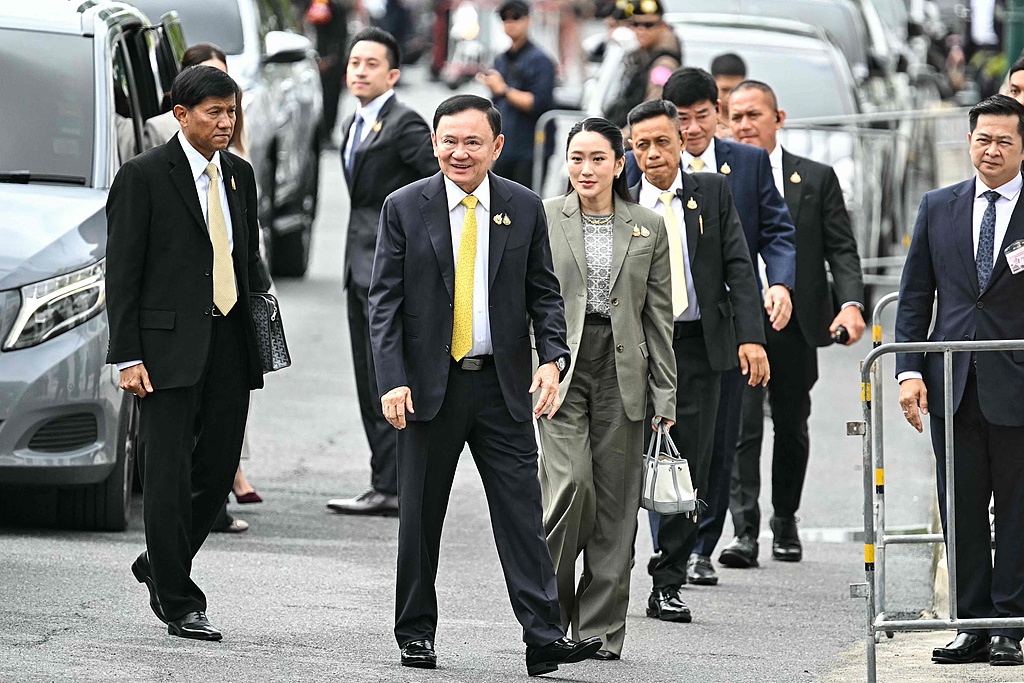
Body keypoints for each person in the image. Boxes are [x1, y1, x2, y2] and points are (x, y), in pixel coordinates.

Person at [368, 93, 601, 674]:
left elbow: (544, 294)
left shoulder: (523, 207)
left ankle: (544, 636)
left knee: (522, 514)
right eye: (449, 140)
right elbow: (384, 304)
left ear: (497, 147)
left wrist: (552, 359)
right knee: (421, 517)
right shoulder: (404, 206)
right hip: (429, 387)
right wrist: (392, 381)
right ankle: (416, 632)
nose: (459, 152)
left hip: (502, 387)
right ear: (434, 143)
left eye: (473, 142)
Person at [106, 65, 269, 641]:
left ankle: (160, 561)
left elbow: (248, 261)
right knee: (168, 473)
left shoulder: (241, 176)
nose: (226, 123)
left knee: (219, 465)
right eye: (214, 113)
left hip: (229, 341)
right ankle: (179, 599)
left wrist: (264, 325)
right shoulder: (143, 177)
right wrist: (126, 355)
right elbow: (121, 274)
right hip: (164, 349)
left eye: (231, 112)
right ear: (181, 115)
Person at [627, 66, 795, 587]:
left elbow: (742, 263)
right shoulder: (619, 195)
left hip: (702, 341)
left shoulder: (715, 190)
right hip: (637, 348)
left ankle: (681, 562)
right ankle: (654, 555)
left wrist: (752, 335)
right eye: (643, 145)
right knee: (649, 455)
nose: (654, 153)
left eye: (666, 140)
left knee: (701, 455)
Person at [539, 117, 676, 659]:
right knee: (571, 487)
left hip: (626, 372)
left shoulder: (647, 226)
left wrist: (666, 396)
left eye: (598, 159)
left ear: (621, 165)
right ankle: (548, 614)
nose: (586, 169)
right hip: (560, 367)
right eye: (577, 158)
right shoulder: (544, 216)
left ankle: (599, 631)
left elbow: (658, 319)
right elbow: (530, 300)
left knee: (618, 510)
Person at [896, 94, 1024, 668]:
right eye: (982, 139)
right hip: (953, 382)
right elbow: (916, 294)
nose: (991, 150)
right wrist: (907, 369)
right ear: (968, 142)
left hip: (1017, 384)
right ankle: (971, 623)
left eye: (1004, 140)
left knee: (1018, 510)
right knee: (962, 505)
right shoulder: (938, 205)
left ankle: (1010, 625)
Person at [724, 80, 865, 566]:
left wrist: (851, 303)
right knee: (741, 426)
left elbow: (841, 248)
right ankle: (743, 530)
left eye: (754, 115)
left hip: (797, 322)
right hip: (741, 322)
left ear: (778, 118)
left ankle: (785, 520)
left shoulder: (815, 178)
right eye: (735, 116)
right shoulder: (718, 178)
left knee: (791, 424)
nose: (744, 124)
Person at [326, 28, 437, 516]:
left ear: (393, 73)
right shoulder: (357, 120)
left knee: (385, 377)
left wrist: (415, 251)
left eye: (371, 64)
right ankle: (384, 480)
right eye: (354, 63)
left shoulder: (404, 124)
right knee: (365, 377)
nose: (359, 72)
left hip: (387, 269)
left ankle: (393, 485)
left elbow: (435, 189)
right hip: (358, 266)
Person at [477, 0, 555, 188]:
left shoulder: (541, 61)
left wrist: (503, 89)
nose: (510, 22)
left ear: (528, 20)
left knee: (525, 208)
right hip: (504, 148)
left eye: (516, 17)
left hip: (530, 151)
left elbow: (538, 102)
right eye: (505, 18)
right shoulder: (501, 59)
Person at [603, 0, 681, 130]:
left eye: (648, 25)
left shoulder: (663, 65)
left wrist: (619, 140)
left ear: (663, 26)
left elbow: (652, 110)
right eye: (635, 24)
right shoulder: (638, 57)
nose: (641, 30)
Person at [306, 0, 351, 149]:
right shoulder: (306, 5)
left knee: (331, 99)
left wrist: (330, 59)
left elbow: (341, 36)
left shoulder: (336, 8)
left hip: (331, 64)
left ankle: (327, 134)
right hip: (309, 62)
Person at [710, 52, 745, 140]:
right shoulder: (705, 123)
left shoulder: (753, 123)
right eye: (724, 90)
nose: (729, 96)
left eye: (735, 89)